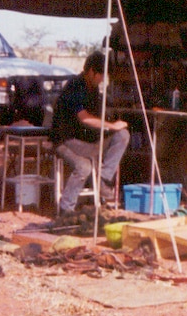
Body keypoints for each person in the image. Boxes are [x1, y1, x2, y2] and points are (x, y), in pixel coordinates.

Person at [51, 51, 129, 213]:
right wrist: (112, 125)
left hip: (86, 142)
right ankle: (66, 209)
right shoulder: (75, 86)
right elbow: (85, 118)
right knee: (84, 167)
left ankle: (103, 178)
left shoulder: (93, 89)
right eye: (100, 75)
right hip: (66, 141)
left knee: (122, 136)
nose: (102, 80)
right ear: (91, 71)